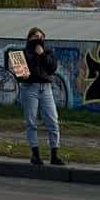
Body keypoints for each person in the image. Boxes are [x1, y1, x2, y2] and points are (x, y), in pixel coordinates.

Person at [20, 27, 64, 165]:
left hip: (45, 88)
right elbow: (20, 74)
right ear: (29, 39)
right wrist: (23, 74)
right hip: (30, 87)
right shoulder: (22, 53)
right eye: (35, 37)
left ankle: (54, 154)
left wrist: (43, 54)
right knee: (31, 121)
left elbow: (52, 68)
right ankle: (35, 154)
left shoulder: (48, 51)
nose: (38, 39)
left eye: (41, 37)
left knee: (53, 121)